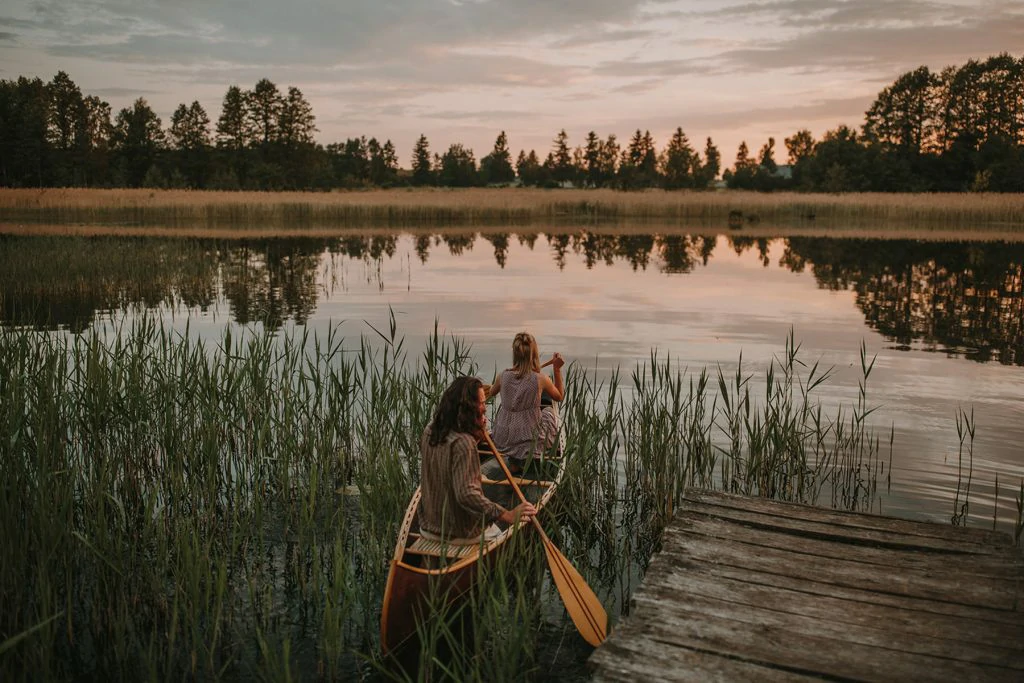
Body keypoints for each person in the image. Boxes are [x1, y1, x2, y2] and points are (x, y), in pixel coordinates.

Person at [419, 376, 536, 544]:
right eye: (481, 403)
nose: (484, 408)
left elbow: (450, 466)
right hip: (460, 532)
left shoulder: (430, 430)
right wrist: (506, 514)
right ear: (468, 407)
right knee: (504, 527)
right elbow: (466, 495)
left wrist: (475, 437)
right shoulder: (463, 443)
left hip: (428, 526)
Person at [487, 332, 565, 474]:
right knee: (548, 412)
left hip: (504, 436)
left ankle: (514, 462)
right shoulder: (541, 379)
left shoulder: (503, 376)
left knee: (517, 421)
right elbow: (559, 396)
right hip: (529, 437)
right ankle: (527, 460)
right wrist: (557, 369)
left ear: (515, 354)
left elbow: (491, 392)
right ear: (534, 354)